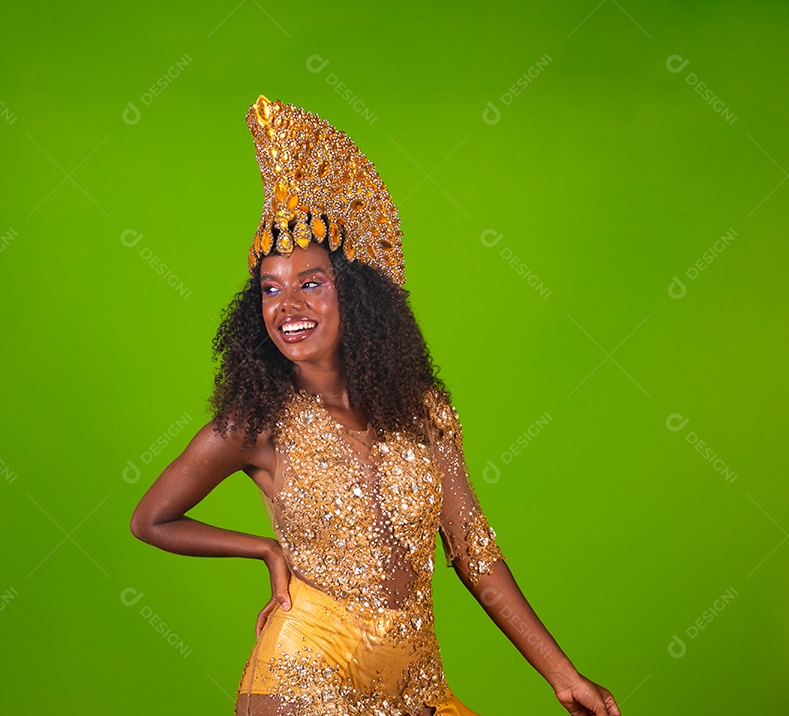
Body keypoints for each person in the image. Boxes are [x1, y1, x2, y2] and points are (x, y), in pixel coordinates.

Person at [130, 95, 621, 716]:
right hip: (305, 678)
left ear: (354, 296)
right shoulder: (256, 423)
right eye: (270, 290)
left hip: (418, 687)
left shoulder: (424, 411)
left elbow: (473, 550)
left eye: (310, 283)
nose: (287, 306)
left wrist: (562, 675)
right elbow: (151, 520)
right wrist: (264, 548)